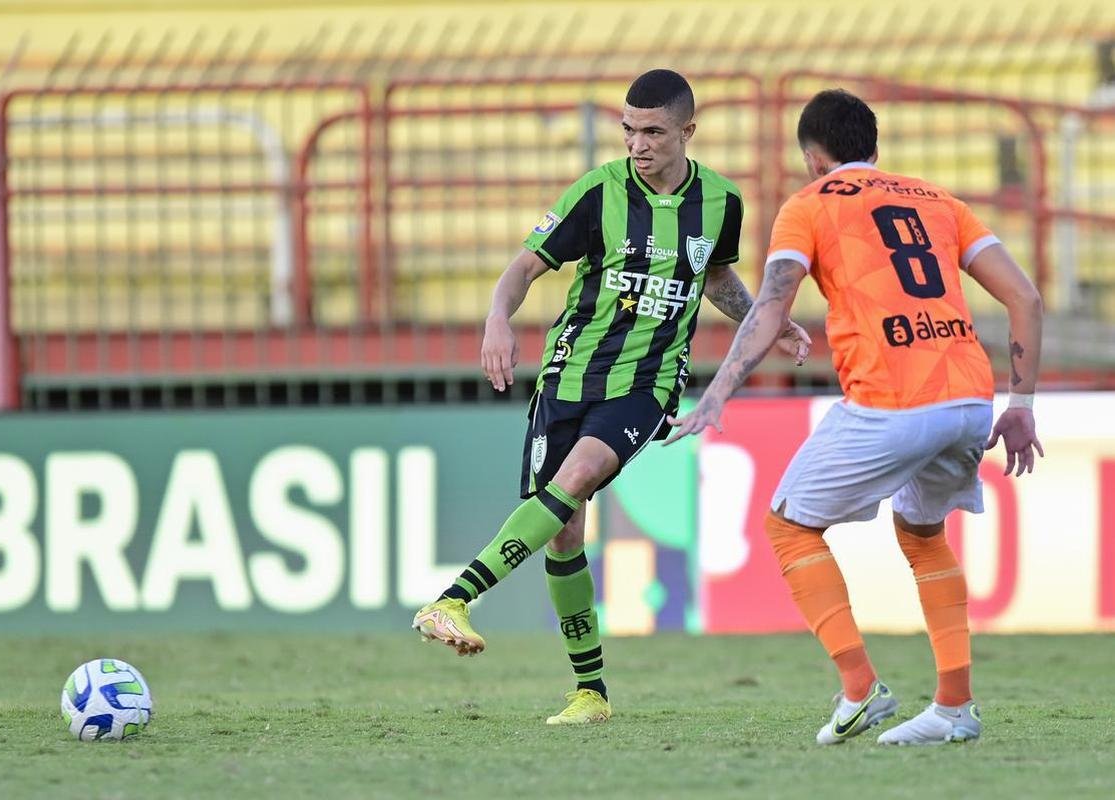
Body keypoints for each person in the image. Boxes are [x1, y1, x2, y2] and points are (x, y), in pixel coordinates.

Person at [412, 69, 811, 725]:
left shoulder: (720, 202)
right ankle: (589, 693)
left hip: (648, 382)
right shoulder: (596, 193)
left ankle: (454, 597)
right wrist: (495, 318)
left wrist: (767, 318)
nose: (637, 143)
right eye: (628, 130)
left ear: (687, 130)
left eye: (652, 131)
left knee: (581, 473)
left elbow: (713, 278)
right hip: (568, 377)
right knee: (564, 532)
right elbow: (524, 268)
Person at [665, 88, 1044, 745]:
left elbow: (771, 307)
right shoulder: (937, 201)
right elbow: (1025, 297)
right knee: (923, 534)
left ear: (814, 160)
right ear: (873, 148)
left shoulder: (807, 206)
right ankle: (953, 708)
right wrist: (1022, 403)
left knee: (788, 527)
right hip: (968, 397)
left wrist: (717, 391)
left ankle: (860, 687)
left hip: (891, 400)